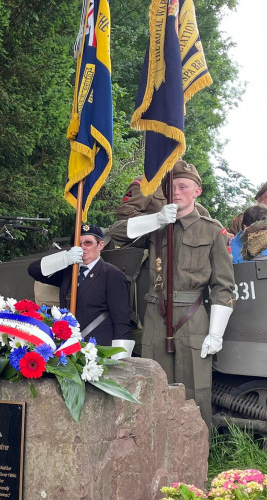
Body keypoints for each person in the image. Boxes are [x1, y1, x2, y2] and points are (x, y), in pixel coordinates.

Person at [123, 160, 235, 425]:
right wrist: (154, 219)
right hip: (156, 315)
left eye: (183, 186)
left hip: (192, 315)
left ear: (197, 191)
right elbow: (118, 234)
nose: (176, 192)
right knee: (154, 384)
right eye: (170, 187)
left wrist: (216, 333)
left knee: (195, 388)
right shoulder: (156, 226)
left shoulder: (212, 229)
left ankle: (198, 454)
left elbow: (223, 285)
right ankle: (155, 451)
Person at [27, 224, 134, 356]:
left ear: (100, 245)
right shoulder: (68, 272)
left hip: (98, 349)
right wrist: (64, 258)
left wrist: (120, 358)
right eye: (78, 244)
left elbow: (121, 321)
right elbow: (34, 270)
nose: (83, 247)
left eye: (88, 243)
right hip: (69, 348)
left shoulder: (111, 274)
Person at [109, 175, 211, 248]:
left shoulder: (200, 210)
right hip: (152, 249)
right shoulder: (146, 184)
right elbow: (124, 214)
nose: (176, 192)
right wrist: (157, 221)